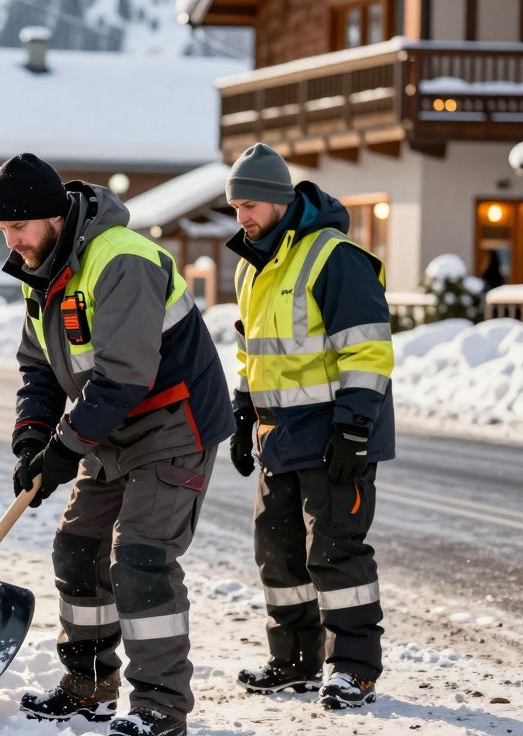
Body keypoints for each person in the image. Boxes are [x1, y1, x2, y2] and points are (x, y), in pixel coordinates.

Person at [0, 153, 233, 736]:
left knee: (142, 558)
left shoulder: (122, 260)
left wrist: (65, 449)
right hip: (111, 425)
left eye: (18, 228)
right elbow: (39, 371)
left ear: (54, 218)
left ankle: (160, 708)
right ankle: (89, 685)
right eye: (3, 231)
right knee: (77, 546)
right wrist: (32, 442)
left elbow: (125, 376)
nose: (11, 243)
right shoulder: (41, 272)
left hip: (173, 422)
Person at [223, 143, 394, 710]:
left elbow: (367, 352)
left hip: (335, 433)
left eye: (249, 205)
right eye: (235, 207)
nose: (241, 217)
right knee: (277, 550)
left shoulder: (334, 257)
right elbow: (253, 349)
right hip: (279, 434)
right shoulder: (254, 264)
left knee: (336, 551)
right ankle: (295, 659)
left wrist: (354, 429)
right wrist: (243, 409)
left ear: (277, 200)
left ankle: (354, 668)